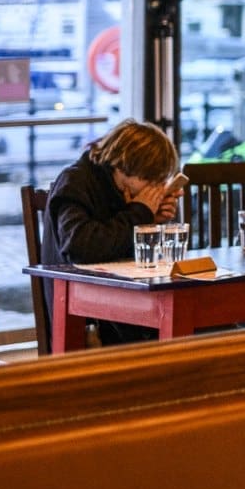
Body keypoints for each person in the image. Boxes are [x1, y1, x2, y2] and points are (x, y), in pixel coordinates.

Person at [42, 120, 182, 345]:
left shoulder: (122, 191)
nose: (154, 189)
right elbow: (81, 247)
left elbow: (129, 253)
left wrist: (151, 221)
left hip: (126, 305)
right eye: (151, 180)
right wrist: (140, 213)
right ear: (126, 166)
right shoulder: (76, 181)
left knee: (214, 327)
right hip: (86, 315)